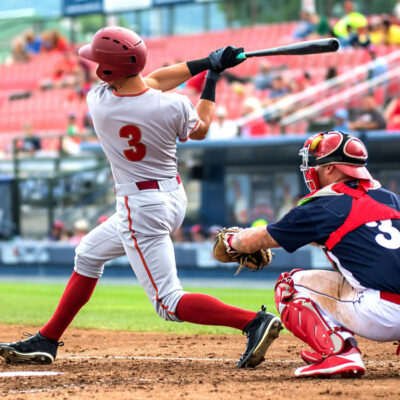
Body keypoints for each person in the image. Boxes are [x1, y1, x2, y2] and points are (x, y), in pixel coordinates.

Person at [0, 26, 282, 368]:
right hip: (171, 197)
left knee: (169, 303)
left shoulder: (99, 101)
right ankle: (46, 340)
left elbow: (154, 80)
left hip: (141, 207)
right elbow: (200, 124)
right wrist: (211, 75)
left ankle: (252, 321)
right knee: (87, 255)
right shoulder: (174, 105)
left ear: (107, 72)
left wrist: (207, 64)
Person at [216, 130, 400, 377]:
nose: (313, 169)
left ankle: (340, 352)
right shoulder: (391, 199)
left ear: (332, 168)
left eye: (318, 163)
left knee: (290, 285)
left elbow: (260, 239)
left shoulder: (324, 205)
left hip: (383, 314)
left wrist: (231, 240)